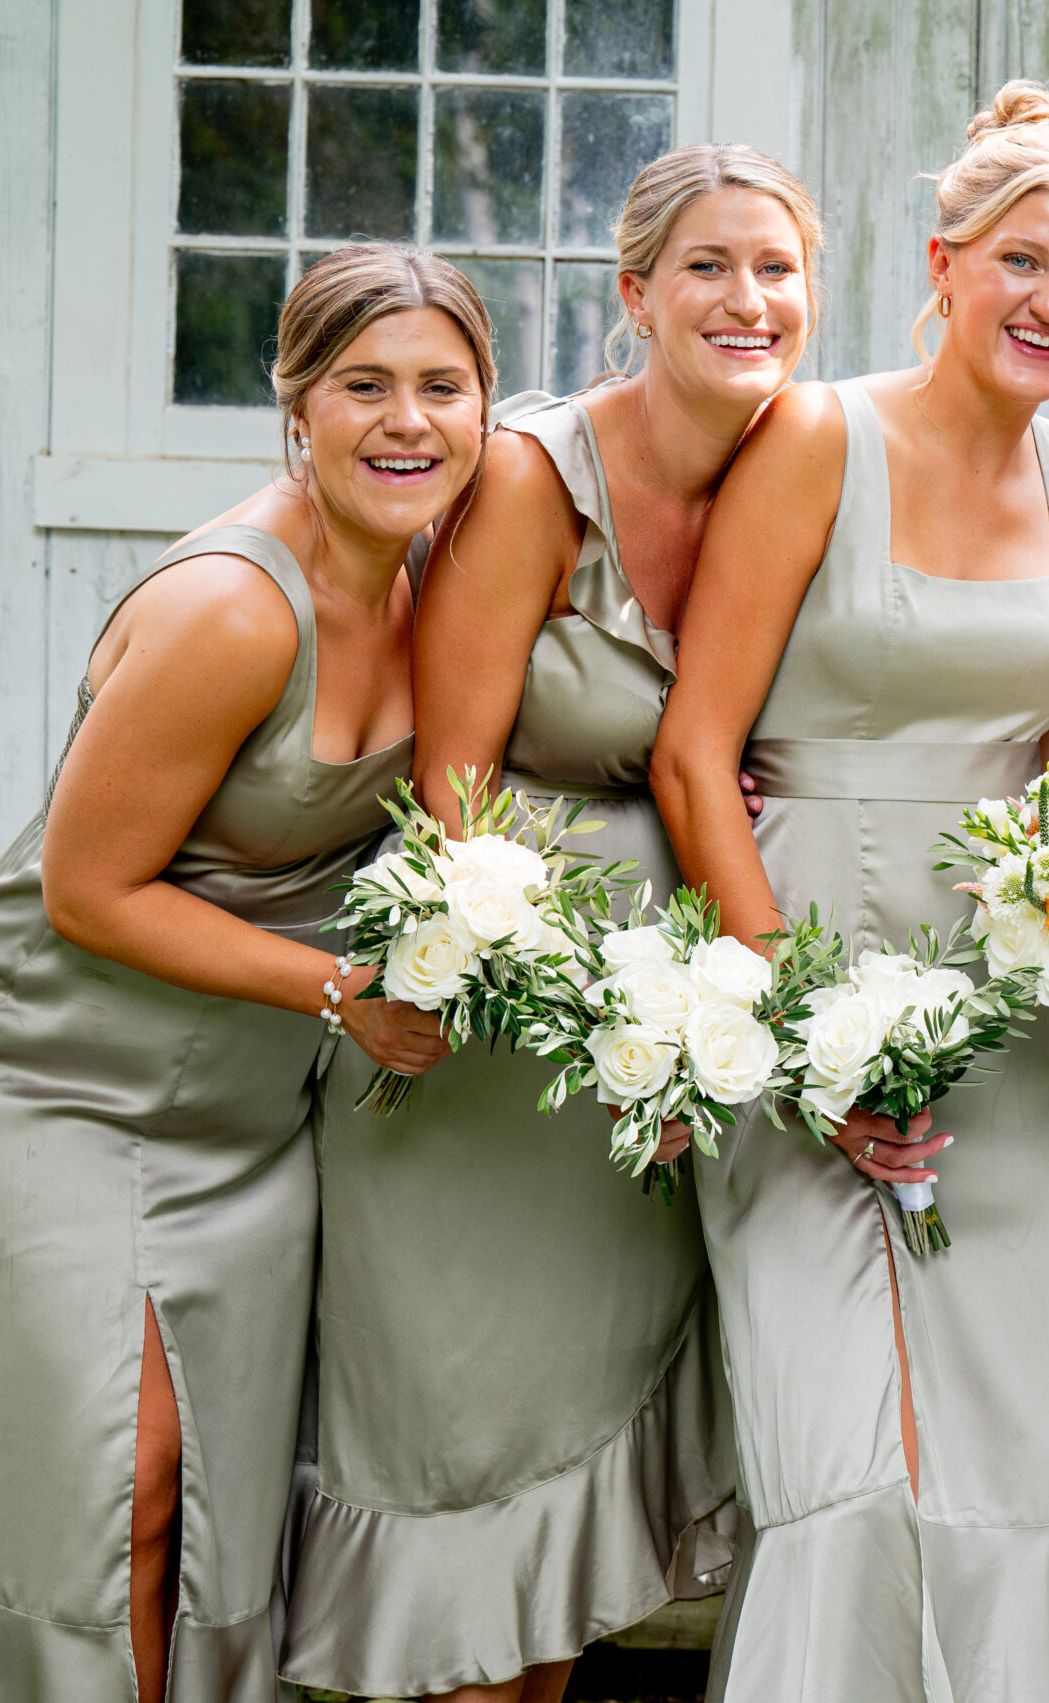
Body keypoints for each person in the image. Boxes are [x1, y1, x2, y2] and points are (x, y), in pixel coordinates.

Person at [279, 147, 820, 1703]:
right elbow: (453, 796)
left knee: (558, 1574)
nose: (747, 300)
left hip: (650, 1082)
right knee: (469, 1525)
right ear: (634, 292)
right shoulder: (531, 477)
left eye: (776, 270)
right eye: (709, 267)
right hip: (497, 1064)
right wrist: (610, 1027)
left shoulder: (802, 466)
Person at [648, 82, 1049, 1702]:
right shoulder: (817, 438)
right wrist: (806, 1046)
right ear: (942, 265)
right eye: (1021, 262)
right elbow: (692, 754)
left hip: (1007, 1024)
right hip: (800, 977)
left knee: (1028, 1446)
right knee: (847, 1460)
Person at [0, 245, 482, 1702]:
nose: (405, 420)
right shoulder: (232, 609)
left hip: (238, 1109)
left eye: (443, 385)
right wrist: (339, 993)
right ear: (295, 402)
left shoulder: (444, 590)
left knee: (220, 1503)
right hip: (60, 1072)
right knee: (119, 1482)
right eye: (364, 384)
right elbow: (87, 891)